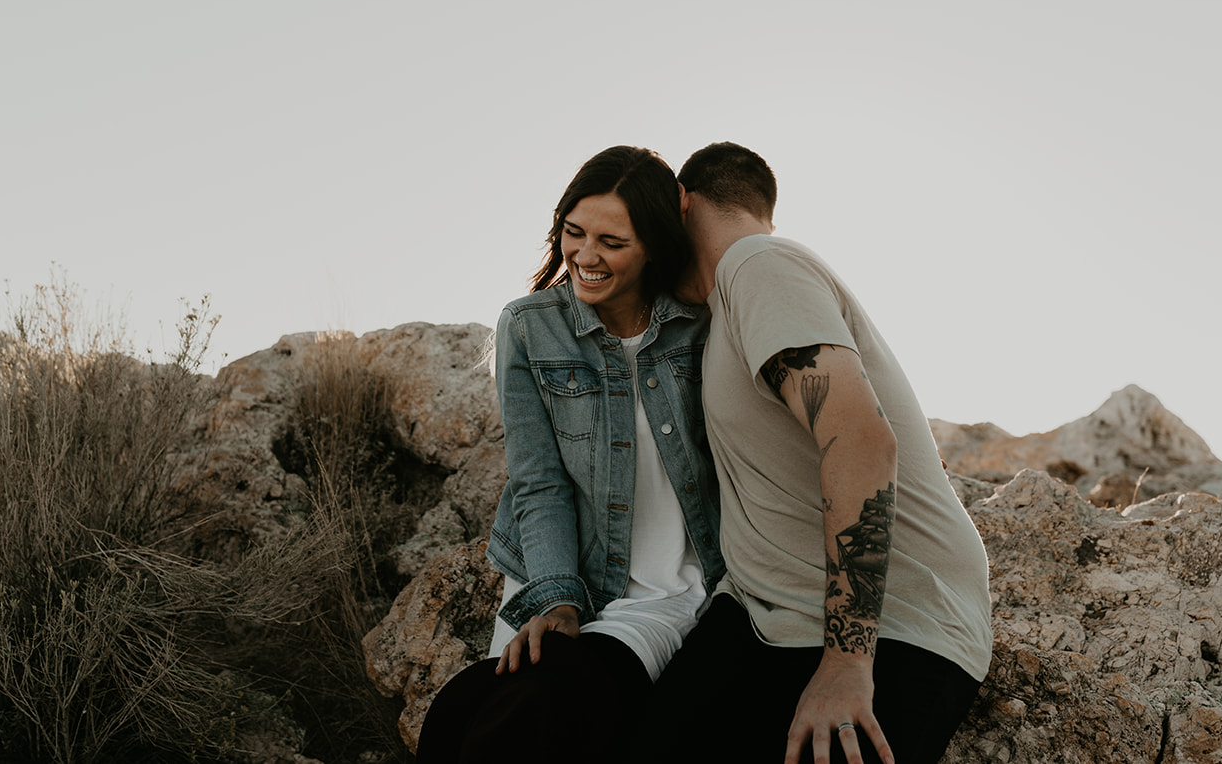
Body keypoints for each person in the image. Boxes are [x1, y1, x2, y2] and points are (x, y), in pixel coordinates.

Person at [635, 142, 992, 764]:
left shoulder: (759, 264)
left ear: (681, 204)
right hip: (763, 619)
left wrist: (848, 660)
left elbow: (860, 437)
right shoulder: (730, 298)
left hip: (893, 630)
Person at [416, 145, 725, 764]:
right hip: (560, 565)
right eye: (573, 232)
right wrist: (559, 600)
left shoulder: (703, 326)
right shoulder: (530, 327)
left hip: (671, 584)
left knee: (548, 720)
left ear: (655, 246)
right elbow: (539, 481)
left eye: (613, 242)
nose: (585, 256)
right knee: (463, 719)